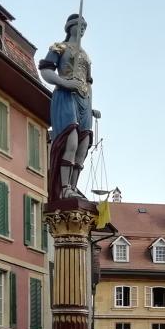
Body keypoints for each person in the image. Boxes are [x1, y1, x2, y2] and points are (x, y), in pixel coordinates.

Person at [38, 13, 100, 202]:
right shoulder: (60, 47)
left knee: (83, 146)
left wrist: (91, 107)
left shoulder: (85, 55)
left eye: (85, 26)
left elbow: (88, 84)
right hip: (65, 96)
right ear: (70, 26)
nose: (82, 29)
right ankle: (64, 188)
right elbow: (46, 71)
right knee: (70, 141)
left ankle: (72, 187)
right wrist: (63, 82)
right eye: (79, 25)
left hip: (83, 101)